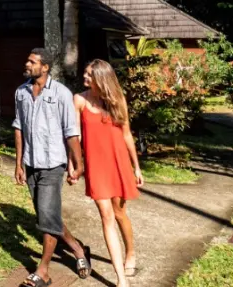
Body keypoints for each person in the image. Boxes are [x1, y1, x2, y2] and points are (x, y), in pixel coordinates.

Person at [12, 48, 91, 287]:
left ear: (45, 67)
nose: (27, 64)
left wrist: (78, 163)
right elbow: (19, 127)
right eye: (28, 60)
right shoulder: (21, 92)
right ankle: (78, 249)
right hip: (31, 163)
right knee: (48, 215)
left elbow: (71, 131)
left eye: (32, 61)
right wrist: (18, 163)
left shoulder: (61, 94)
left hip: (52, 164)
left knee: (47, 218)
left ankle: (43, 272)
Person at [75, 58, 143, 285]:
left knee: (120, 214)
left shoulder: (117, 100)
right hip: (96, 166)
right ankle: (121, 279)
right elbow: (75, 138)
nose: (84, 78)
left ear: (101, 79)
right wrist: (75, 163)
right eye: (85, 74)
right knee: (106, 216)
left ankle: (130, 252)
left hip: (118, 163)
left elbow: (126, 135)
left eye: (89, 75)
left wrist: (137, 167)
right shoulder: (80, 101)